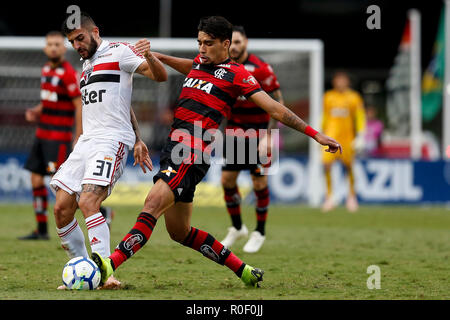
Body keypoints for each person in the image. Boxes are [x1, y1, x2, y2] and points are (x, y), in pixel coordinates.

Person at [91, 16, 341, 288]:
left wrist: (316, 135)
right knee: (180, 232)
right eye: (199, 42)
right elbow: (189, 67)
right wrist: (156, 55)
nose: (201, 48)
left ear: (226, 44)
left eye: (208, 43)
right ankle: (243, 269)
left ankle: (107, 265)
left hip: (191, 149)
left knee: (152, 205)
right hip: (175, 148)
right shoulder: (201, 63)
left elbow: (275, 109)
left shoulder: (239, 74)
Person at [51, 12, 167, 288]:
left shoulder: (119, 52)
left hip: (111, 140)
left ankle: (104, 274)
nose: (77, 45)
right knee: (61, 208)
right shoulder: (86, 66)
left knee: (88, 202)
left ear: (95, 32)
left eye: (80, 38)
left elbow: (160, 76)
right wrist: (139, 138)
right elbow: (121, 104)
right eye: (72, 41)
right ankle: (83, 271)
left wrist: (150, 56)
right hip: (87, 142)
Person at [220, 26, 284, 253]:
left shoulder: (262, 69)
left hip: (259, 134)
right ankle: (237, 228)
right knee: (227, 181)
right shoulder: (223, 68)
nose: (235, 46)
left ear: (245, 42)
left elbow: (278, 102)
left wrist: (268, 135)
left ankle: (260, 231)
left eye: (238, 42)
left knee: (259, 182)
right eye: (232, 43)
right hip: (236, 132)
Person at [19, 31, 82, 240]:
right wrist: (38, 110)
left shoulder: (68, 73)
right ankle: (41, 229)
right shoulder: (46, 69)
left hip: (58, 138)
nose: (53, 48)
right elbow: (50, 100)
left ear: (64, 48)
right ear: (45, 48)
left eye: (57, 44)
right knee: (36, 179)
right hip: (42, 134)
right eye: (50, 44)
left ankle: (101, 212)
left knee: (60, 185)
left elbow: (78, 105)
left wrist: (78, 135)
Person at [321, 71, 366, 212]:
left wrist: (361, 135)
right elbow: (324, 116)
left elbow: (359, 117)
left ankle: (351, 197)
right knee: (326, 164)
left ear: (347, 82)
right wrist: (320, 133)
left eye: (343, 80)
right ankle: (329, 197)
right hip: (330, 137)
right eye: (338, 80)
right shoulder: (328, 97)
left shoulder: (354, 97)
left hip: (347, 138)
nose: (340, 82)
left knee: (349, 167)